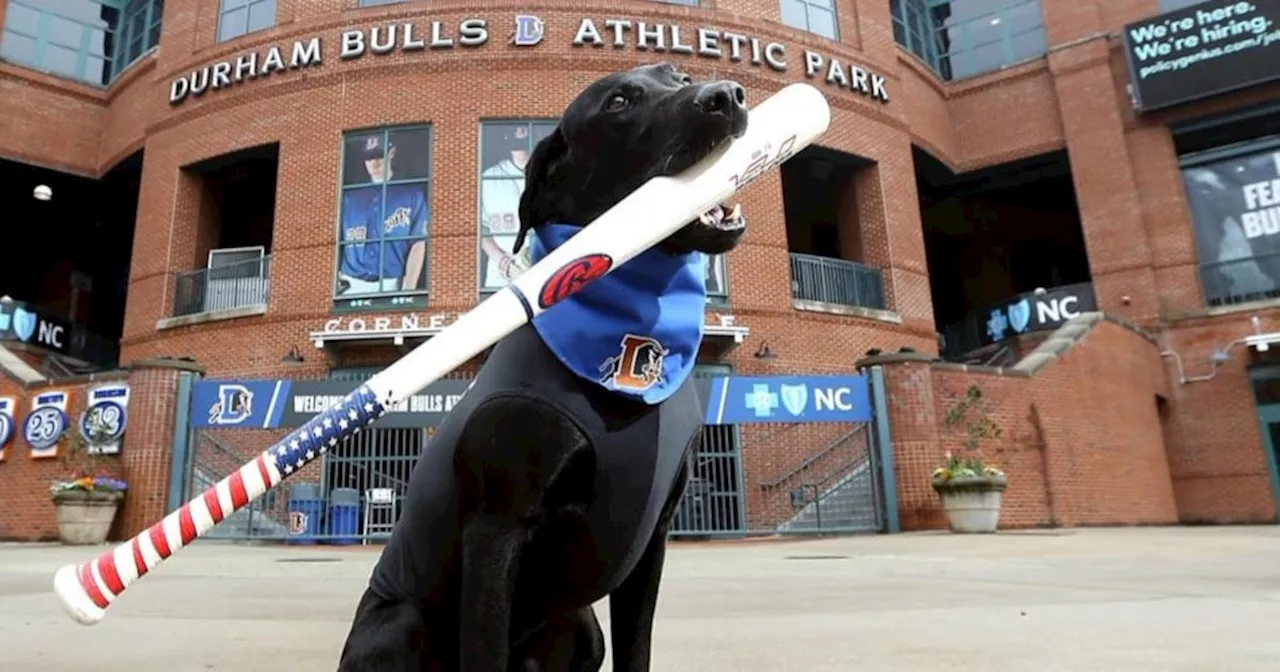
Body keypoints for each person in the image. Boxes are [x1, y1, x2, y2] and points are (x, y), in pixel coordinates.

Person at [337, 134, 429, 296]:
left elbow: (418, 243)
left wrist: (408, 290)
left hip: (390, 283)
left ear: (391, 153)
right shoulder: (349, 196)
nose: (374, 163)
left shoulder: (411, 193)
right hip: (350, 282)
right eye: (369, 158)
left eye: (379, 156)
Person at [480, 126, 535, 290]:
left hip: (540, 274)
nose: (519, 132)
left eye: (524, 129)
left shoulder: (549, 173)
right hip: (500, 279)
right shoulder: (489, 177)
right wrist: (502, 259)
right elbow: (480, 229)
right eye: (515, 129)